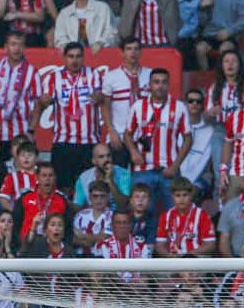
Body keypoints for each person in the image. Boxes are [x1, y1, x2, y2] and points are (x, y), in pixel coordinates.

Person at [124, 67, 192, 213]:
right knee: (142, 214)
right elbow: (127, 134)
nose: (160, 86)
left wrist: (175, 165)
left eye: (163, 82)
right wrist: (133, 152)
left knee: (173, 213)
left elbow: (188, 139)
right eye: (156, 82)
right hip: (142, 170)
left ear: (168, 85)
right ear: (149, 85)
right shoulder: (137, 106)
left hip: (169, 170)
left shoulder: (179, 107)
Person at [42, 43, 104, 194]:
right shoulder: (54, 77)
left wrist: (97, 96)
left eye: (78, 56)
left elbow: (100, 95)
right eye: (71, 56)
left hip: (88, 142)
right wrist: (45, 99)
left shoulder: (93, 74)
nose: (74, 60)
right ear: (64, 58)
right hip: (63, 142)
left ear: (83, 57)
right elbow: (44, 100)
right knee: (63, 189)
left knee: (89, 188)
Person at [0, 32, 45, 157]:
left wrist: (31, 131)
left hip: (20, 133)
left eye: (20, 45)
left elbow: (38, 104)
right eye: (13, 44)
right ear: (6, 47)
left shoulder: (32, 72)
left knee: (19, 172)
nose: (17, 48)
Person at [100, 38, 151, 167]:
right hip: (119, 136)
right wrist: (111, 132)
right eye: (128, 49)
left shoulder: (150, 74)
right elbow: (105, 107)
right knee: (117, 178)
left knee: (141, 181)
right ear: (122, 53)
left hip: (144, 137)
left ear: (140, 52)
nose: (132, 52)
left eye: (136, 49)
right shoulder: (111, 76)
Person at [74, 143, 131, 210]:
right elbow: (78, 206)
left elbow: (123, 205)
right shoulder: (84, 177)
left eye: (108, 156)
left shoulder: (123, 174)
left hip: (116, 215)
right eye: (101, 157)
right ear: (94, 161)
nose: (106, 160)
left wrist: (110, 181)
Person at [52, 0, 118, 50]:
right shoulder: (64, 13)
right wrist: (67, 47)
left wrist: (101, 43)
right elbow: (59, 38)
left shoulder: (103, 8)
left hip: (100, 55)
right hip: (73, 59)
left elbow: (112, 33)